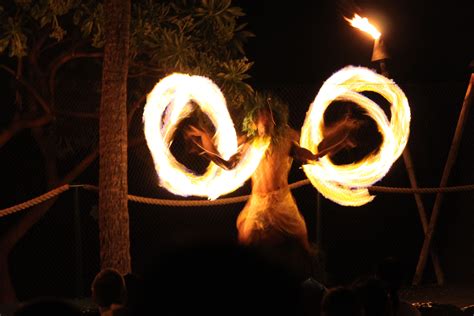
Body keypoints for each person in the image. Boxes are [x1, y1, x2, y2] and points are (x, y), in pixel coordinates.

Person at [185, 92, 360, 257]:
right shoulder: (247, 145)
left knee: (302, 241)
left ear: (275, 121)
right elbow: (226, 164)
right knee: (245, 240)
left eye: (269, 118)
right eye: (262, 118)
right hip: (258, 202)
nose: (266, 122)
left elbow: (314, 155)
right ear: (254, 123)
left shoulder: (286, 141)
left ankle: (314, 275)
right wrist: (202, 142)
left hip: (282, 201)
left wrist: (342, 133)